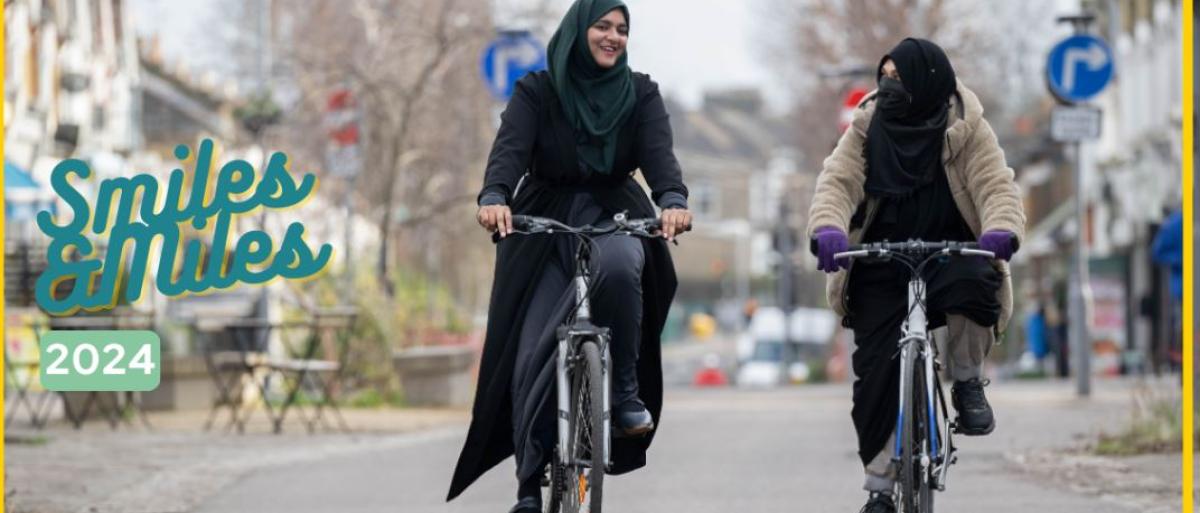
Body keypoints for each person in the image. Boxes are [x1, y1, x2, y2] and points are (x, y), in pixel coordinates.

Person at [446, 1, 692, 511]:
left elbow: (660, 157)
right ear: (579, 30)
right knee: (531, 347)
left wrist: (673, 200)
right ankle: (528, 483)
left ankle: (622, 393)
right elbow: (510, 151)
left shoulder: (641, 93)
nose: (613, 37)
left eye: (622, 29)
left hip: (615, 213)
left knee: (625, 266)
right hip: (544, 224)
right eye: (602, 26)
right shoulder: (537, 90)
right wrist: (494, 196)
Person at [807, 38, 1026, 513]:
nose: (889, 89)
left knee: (976, 281)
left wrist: (1001, 229)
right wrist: (827, 227)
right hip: (881, 258)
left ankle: (967, 382)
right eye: (883, 78)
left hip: (950, 250)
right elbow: (837, 181)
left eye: (899, 79)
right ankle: (880, 489)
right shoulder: (867, 125)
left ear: (928, 80)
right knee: (874, 381)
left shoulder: (967, 126)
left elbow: (996, 186)